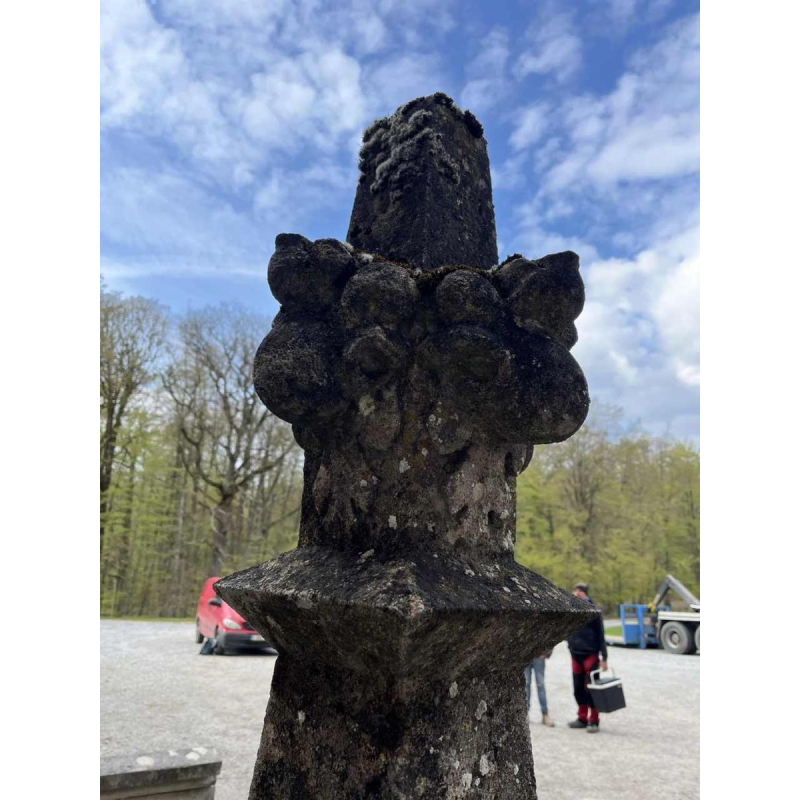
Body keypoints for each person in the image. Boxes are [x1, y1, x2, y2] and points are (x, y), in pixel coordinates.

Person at [567, 582, 608, 733]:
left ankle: (594, 720)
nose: (577, 593)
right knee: (578, 689)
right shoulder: (570, 610)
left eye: (580, 591)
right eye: (575, 590)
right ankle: (582, 717)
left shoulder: (594, 611)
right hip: (575, 655)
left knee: (591, 689)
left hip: (590, 654)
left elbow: (601, 635)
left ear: (585, 594)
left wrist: (604, 657)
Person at [524, 649, 554, 726]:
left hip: (539, 655)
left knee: (540, 684)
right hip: (525, 655)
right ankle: (525, 713)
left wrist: (547, 652)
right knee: (526, 684)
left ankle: (545, 714)